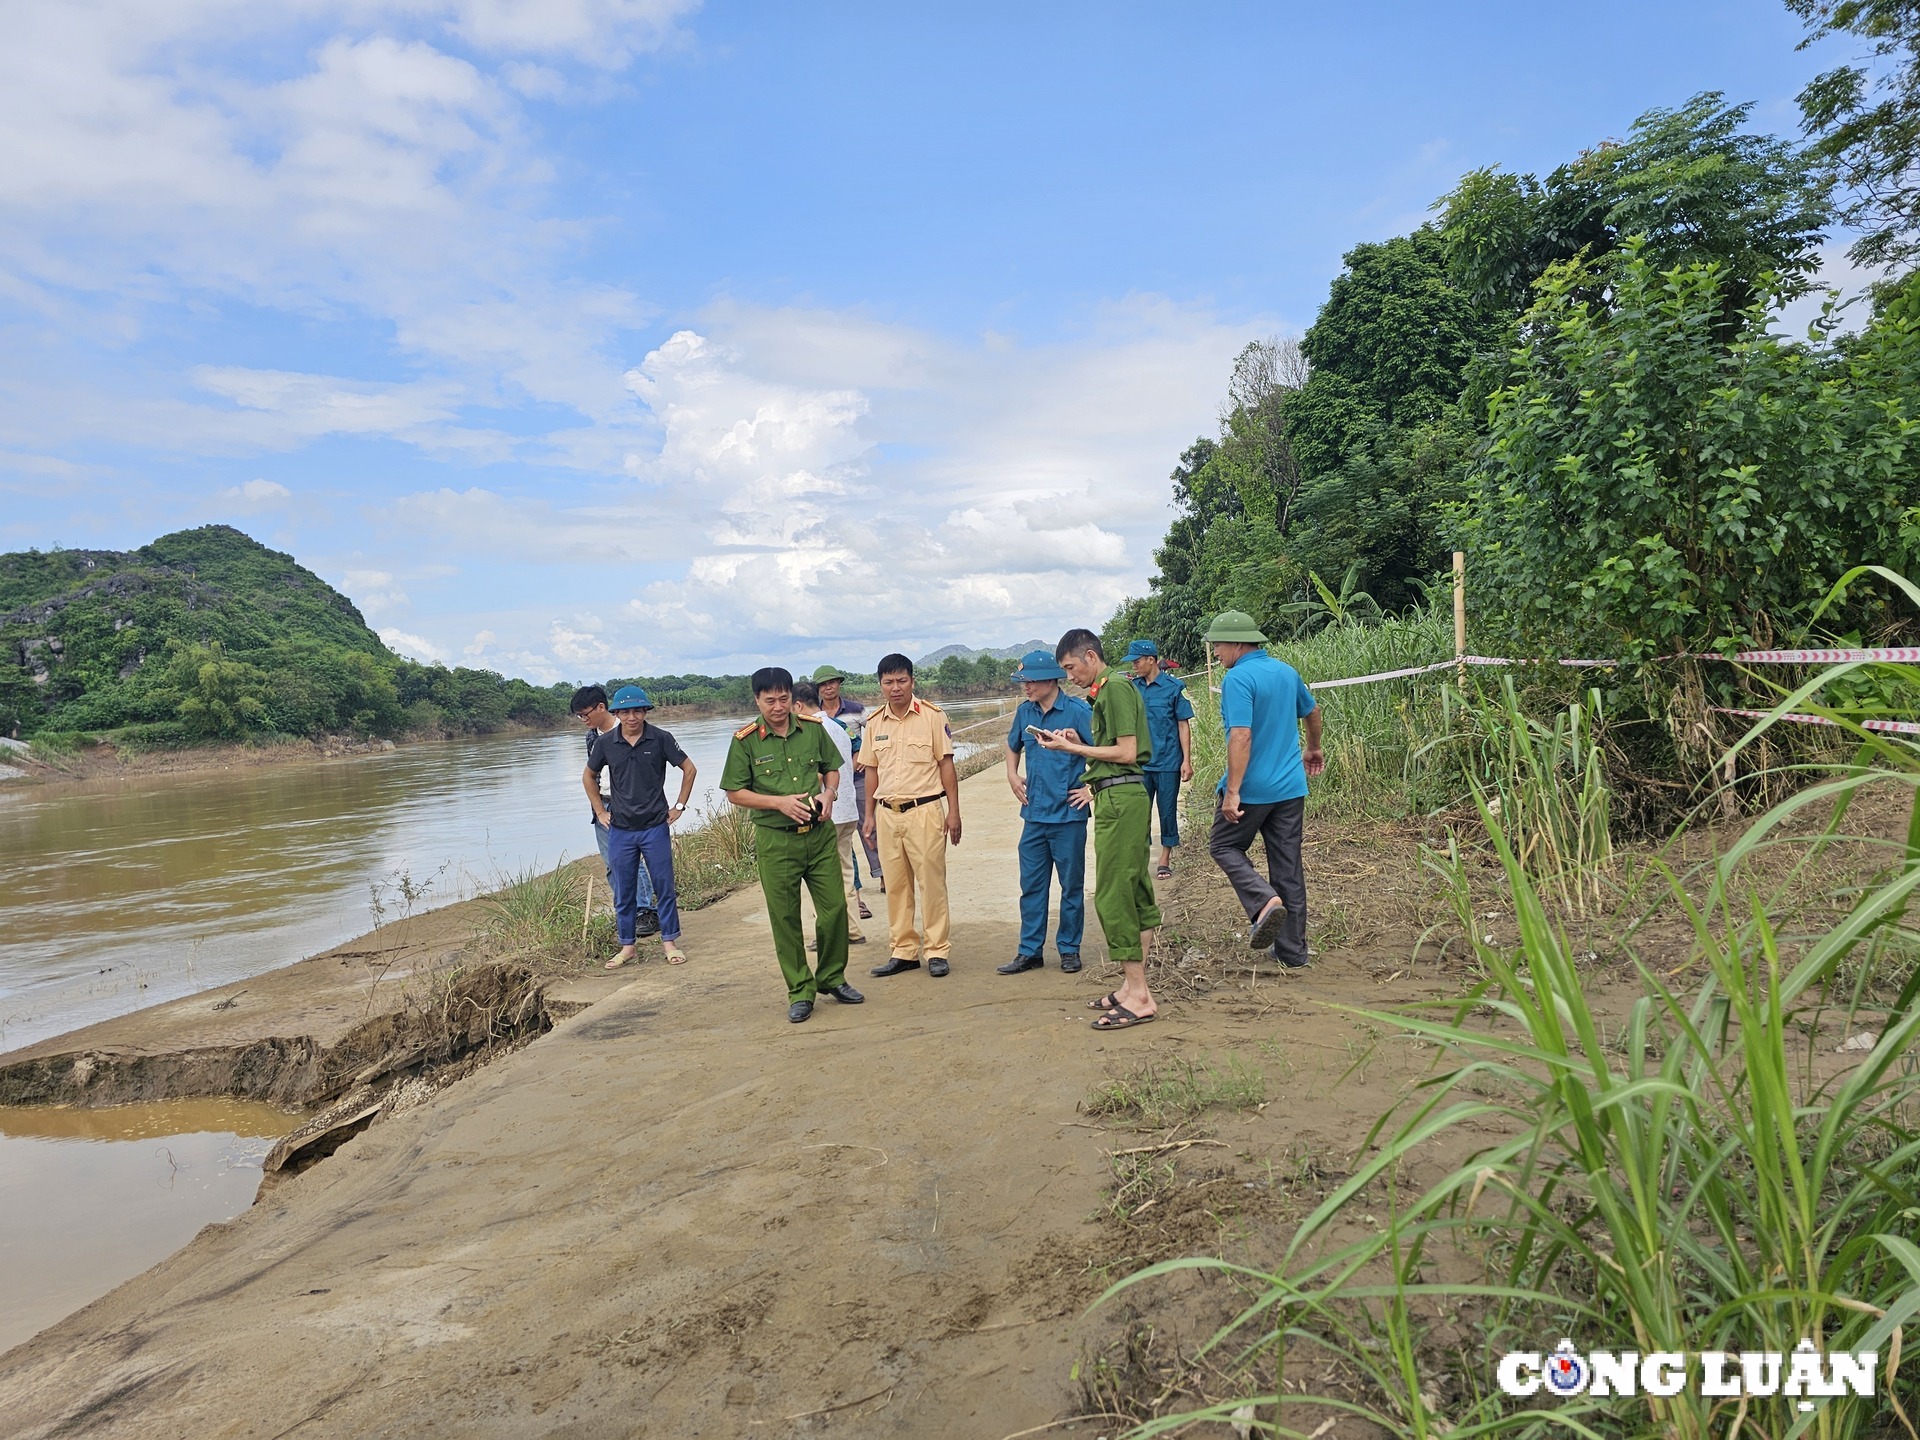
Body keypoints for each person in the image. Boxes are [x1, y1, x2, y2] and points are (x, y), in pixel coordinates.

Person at [720, 667, 863, 1023]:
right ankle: (800, 989)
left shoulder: (812, 730)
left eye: (784, 698)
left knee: (833, 911)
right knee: (785, 920)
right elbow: (735, 793)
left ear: (792, 698)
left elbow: (833, 768)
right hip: (776, 842)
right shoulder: (745, 741)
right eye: (770, 700)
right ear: (757, 700)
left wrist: (829, 793)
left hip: (819, 837)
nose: (778, 706)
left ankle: (832, 977)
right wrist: (779, 803)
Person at [1036, 629, 1160, 1030]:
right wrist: (1079, 738)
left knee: (1113, 893)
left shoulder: (1116, 689)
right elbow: (1115, 748)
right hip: (1115, 796)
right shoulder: (1105, 692)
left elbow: (1126, 752)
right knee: (1133, 887)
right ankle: (1131, 986)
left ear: (1090, 656)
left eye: (1071, 667)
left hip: (1121, 800)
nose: (1069, 676)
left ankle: (1139, 996)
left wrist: (1071, 748)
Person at [1202, 610, 1324, 969]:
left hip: (1253, 790)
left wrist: (1233, 791)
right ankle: (1292, 952)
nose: (1216, 653)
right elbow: (1312, 711)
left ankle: (1263, 902)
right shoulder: (1286, 672)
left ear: (1238, 643)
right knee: (1288, 867)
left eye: (1218, 646)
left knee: (1224, 845)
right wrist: (1314, 747)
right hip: (1289, 789)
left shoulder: (1238, 679)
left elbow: (1241, 734)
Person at [858, 653, 960, 979]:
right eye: (888, 682)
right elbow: (871, 771)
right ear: (881, 685)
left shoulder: (932, 716)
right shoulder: (874, 723)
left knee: (931, 883)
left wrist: (954, 812)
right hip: (888, 813)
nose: (895, 687)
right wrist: (869, 815)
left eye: (902, 680)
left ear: (912, 681)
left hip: (925, 810)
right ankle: (903, 951)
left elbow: (946, 766)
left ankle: (936, 950)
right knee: (896, 886)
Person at [584, 685, 693, 967]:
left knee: (663, 886)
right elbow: (588, 776)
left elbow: (689, 769)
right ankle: (627, 946)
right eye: (626, 712)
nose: (632, 717)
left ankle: (669, 941)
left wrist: (679, 807)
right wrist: (600, 811)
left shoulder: (661, 738)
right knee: (624, 889)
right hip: (620, 828)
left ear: (645, 711)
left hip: (655, 825)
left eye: (638, 711)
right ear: (616, 713)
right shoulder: (606, 743)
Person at [1000, 649, 1092, 975]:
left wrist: (1090, 788)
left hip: (1068, 815)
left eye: (1030, 682)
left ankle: (1069, 949)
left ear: (1050, 679)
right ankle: (1030, 951)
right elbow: (1013, 745)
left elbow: (1105, 752)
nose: (1025, 687)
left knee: (1071, 885)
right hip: (1034, 815)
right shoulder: (1025, 712)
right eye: (1022, 682)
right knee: (1033, 886)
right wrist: (1012, 775)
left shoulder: (1079, 711)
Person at [571, 685, 659, 940]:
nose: (583, 720)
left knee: (632, 861)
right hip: (604, 806)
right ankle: (628, 911)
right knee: (612, 863)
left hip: (630, 806)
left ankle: (645, 911)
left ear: (602, 707)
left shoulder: (630, 730)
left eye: (585, 714)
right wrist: (598, 810)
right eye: (579, 716)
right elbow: (591, 774)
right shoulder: (592, 737)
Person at [791, 677, 866, 946]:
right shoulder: (840, 726)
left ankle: (827, 934)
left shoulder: (808, 731)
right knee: (845, 872)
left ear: (798, 704)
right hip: (847, 810)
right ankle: (853, 930)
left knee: (818, 878)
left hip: (826, 813)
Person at [813, 663, 880, 916]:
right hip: (830, 786)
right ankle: (857, 895)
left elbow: (869, 736)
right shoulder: (816, 717)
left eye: (832, 682)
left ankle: (881, 873)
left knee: (869, 825)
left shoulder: (854, 711)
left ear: (839, 684)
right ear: (817, 689)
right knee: (844, 839)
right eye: (823, 684)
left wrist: (853, 766)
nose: (828, 687)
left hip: (859, 777)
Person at [1126, 639, 1194, 880]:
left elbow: (1183, 725)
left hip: (1168, 761)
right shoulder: (1132, 688)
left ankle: (1165, 857)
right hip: (1140, 764)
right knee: (1139, 812)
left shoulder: (1175, 687)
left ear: (1151, 660)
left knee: (1167, 810)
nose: (1134, 666)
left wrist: (1186, 760)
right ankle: (1141, 856)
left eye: (1136, 661)